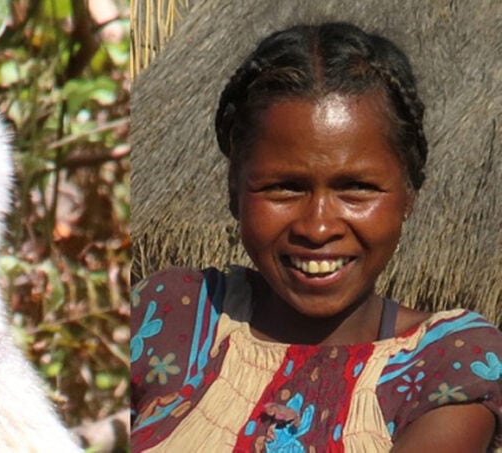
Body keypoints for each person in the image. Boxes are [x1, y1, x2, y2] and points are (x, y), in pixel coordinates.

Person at [130, 22, 502, 452]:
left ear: (408, 195)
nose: (318, 227)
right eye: (284, 187)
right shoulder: (171, 314)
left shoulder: (448, 364)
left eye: (356, 188)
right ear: (235, 192)